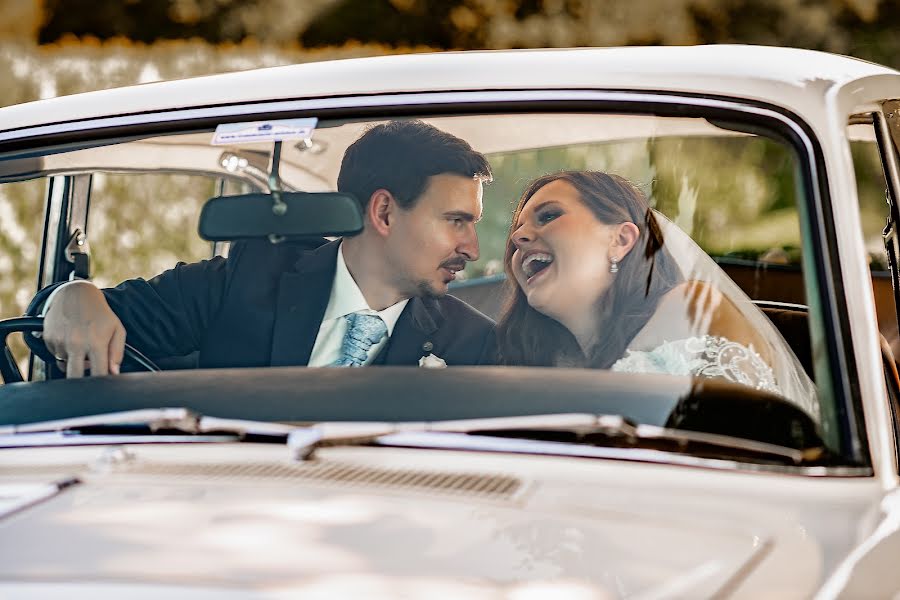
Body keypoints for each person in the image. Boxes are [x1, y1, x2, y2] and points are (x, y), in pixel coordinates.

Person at [29, 120, 497, 377]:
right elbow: (57, 332)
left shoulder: (473, 345)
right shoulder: (243, 281)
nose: (472, 247)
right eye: (457, 221)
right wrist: (71, 296)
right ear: (385, 213)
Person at [497, 171, 817, 409]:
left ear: (620, 240)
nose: (519, 238)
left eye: (549, 216)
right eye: (517, 231)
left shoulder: (690, 308)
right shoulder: (540, 360)